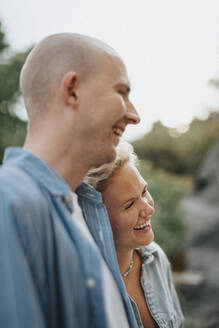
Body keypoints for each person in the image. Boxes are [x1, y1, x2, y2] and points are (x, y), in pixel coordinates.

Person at [0, 33, 141, 327]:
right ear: (73, 90)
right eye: (122, 92)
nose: (134, 115)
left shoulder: (85, 208)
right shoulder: (10, 202)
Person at [86, 142, 184, 328]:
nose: (148, 209)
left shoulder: (155, 257)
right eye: (130, 205)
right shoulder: (88, 288)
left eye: (144, 191)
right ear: (97, 218)